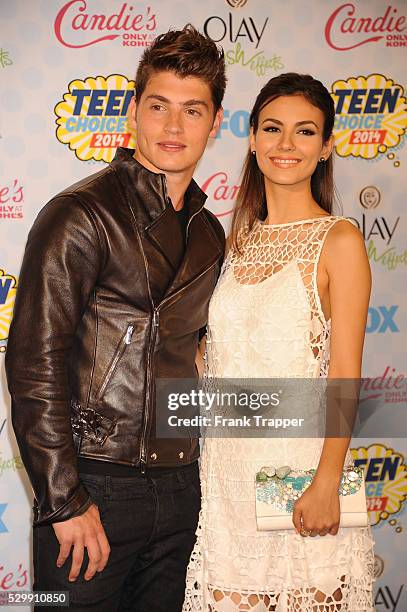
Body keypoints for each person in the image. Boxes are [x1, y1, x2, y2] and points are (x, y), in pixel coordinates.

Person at [5, 25, 226, 612]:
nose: (173, 128)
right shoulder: (79, 214)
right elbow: (33, 364)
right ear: (134, 112)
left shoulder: (210, 235)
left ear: (216, 122)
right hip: (90, 486)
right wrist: (63, 500)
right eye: (159, 107)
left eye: (192, 110)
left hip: (182, 490)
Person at [183, 73, 375, 611]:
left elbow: (344, 373)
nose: (286, 145)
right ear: (251, 137)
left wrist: (326, 481)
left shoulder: (339, 240)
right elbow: (214, 358)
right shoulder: (236, 240)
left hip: (299, 476)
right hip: (226, 482)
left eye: (305, 131)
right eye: (272, 128)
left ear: (326, 145)